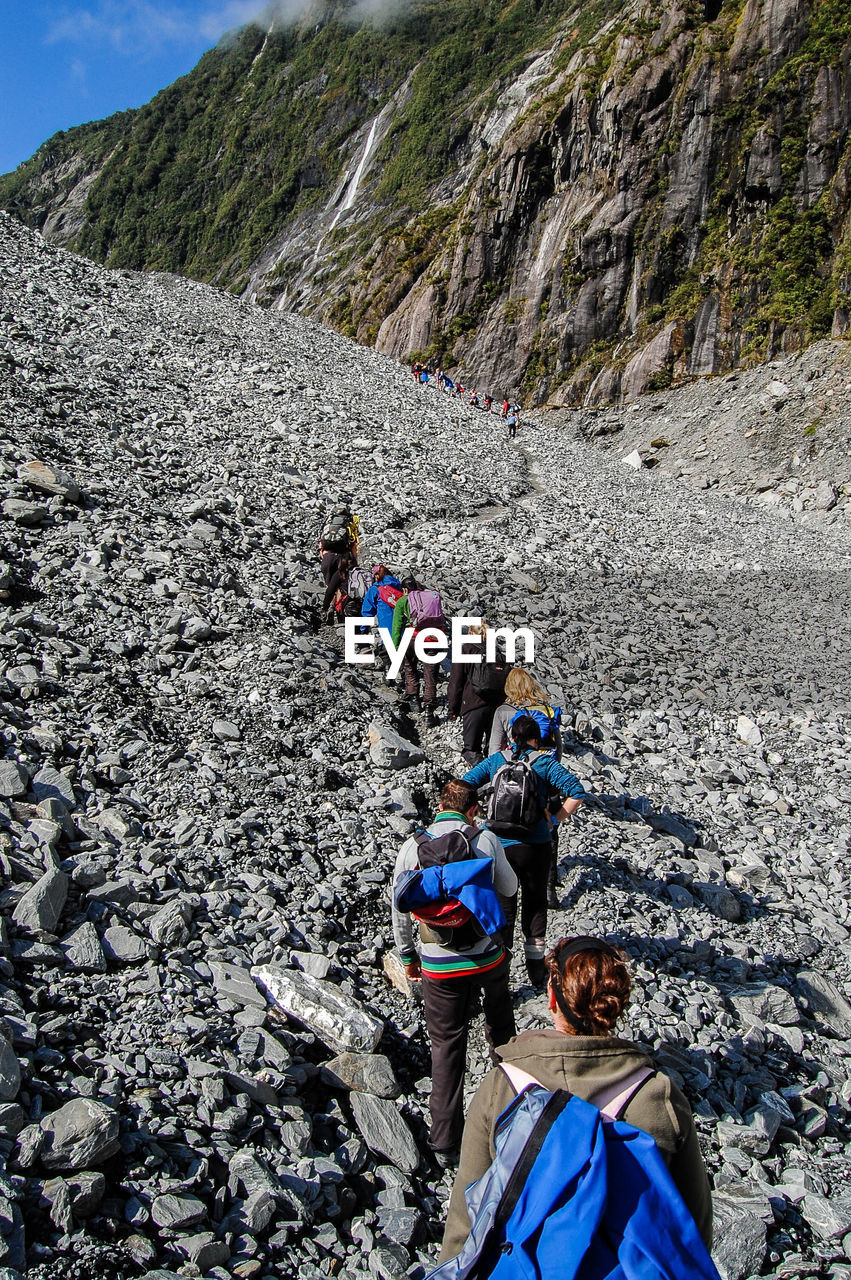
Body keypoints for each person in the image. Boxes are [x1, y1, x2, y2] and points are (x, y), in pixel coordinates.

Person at [438, 936, 713, 1263]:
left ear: (552, 998)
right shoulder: (657, 1095)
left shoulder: (503, 1086)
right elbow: (694, 1227)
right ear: (618, 1004)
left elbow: (466, 1219)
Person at [391, 780, 518, 1167]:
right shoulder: (485, 840)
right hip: (487, 957)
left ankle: (445, 1142)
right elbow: (510, 888)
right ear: (473, 810)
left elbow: (399, 907)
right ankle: (512, 1118)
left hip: (438, 963)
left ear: (439, 807)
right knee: (501, 1031)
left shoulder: (412, 846)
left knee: (446, 1045)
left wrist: (407, 955)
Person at [463, 715, 585, 985]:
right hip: (535, 844)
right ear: (535, 738)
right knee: (535, 903)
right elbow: (577, 791)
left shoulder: (498, 760)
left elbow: (466, 781)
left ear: (511, 737)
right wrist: (554, 819)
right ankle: (535, 969)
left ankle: (500, 966)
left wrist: (476, 814)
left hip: (499, 844)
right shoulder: (543, 762)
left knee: (504, 904)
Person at [489, 669, 565, 909]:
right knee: (549, 828)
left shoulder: (504, 711)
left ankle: (510, 886)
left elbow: (494, 749)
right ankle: (549, 888)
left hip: (513, 778)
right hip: (545, 777)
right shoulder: (545, 709)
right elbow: (558, 748)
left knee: (510, 826)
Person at [446, 624, 507, 766]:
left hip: (473, 703)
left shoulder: (466, 648)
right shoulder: (496, 651)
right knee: (493, 748)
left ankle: (482, 780)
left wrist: (453, 709)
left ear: (471, 633)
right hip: (496, 704)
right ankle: (497, 775)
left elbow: (456, 681)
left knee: (471, 750)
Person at [391, 574, 446, 724]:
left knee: (409, 667)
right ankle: (429, 709)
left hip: (413, 638)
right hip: (432, 638)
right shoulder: (430, 598)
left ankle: (414, 698)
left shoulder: (403, 600)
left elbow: (396, 626)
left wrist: (396, 647)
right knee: (430, 672)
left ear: (404, 589)